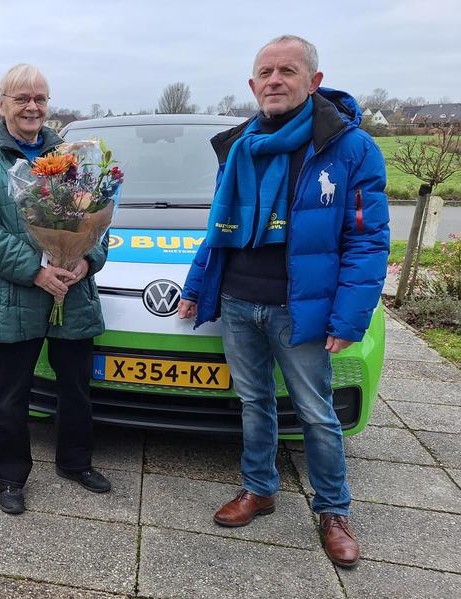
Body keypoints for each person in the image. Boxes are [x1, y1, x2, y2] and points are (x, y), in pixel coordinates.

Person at [179, 35, 390, 568]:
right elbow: (216, 230)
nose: (274, 80)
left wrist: (349, 316)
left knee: (317, 414)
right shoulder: (238, 145)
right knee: (254, 404)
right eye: (265, 73)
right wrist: (197, 285)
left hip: (301, 309)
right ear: (252, 86)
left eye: (287, 71)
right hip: (240, 301)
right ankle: (260, 489)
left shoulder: (349, 148)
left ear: (313, 81)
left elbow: (368, 240)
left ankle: (333, 511)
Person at [0, 64, 111, 516]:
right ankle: (10, 476)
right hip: (14, 295)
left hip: (72, 292)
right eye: (22, 98)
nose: (32, 106)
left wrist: (86, 260)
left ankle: (75, 462)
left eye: (40, 98)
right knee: (11, 394)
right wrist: (36, 268)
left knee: (76, 388)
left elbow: (99, 217)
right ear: (2, 104)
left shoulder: (71, 152)